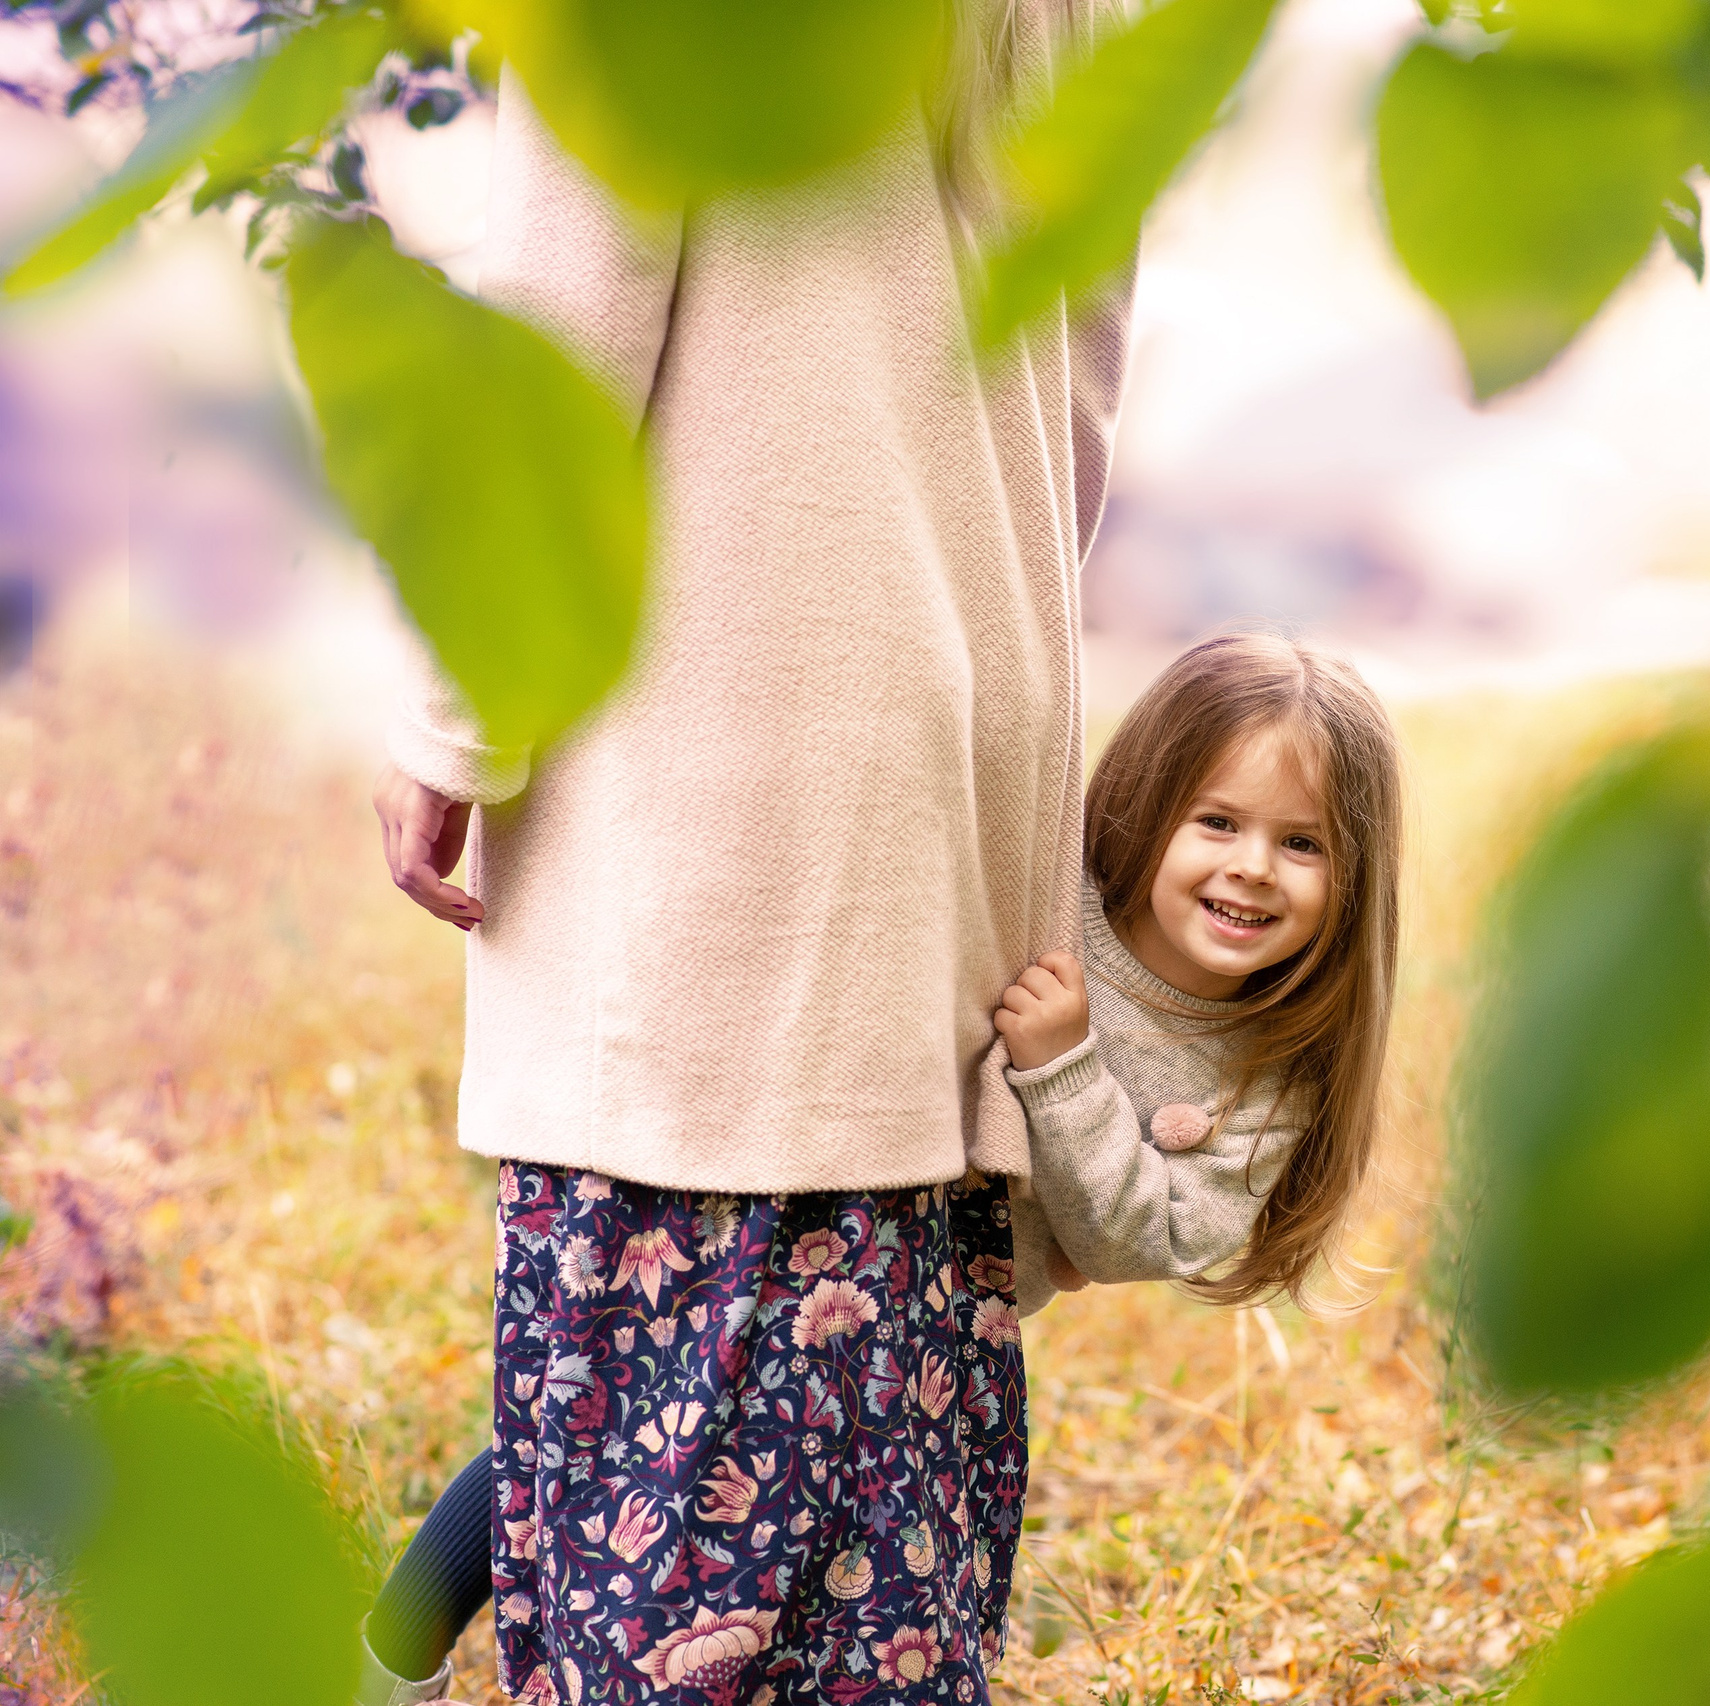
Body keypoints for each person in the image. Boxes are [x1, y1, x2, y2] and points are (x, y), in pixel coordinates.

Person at [357, 0, 1130, 1694]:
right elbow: (1083, 351)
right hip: (965, 693)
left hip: (728, 737)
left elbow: (563, 332)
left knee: (667, 1420)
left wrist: (449, 716)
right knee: (889, 1448)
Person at [991, 633, 1404, 1319]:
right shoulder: (1045, 906)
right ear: (1148, 805)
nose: (1255, 867)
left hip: (956, 1334)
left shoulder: (1272, 1079)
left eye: (1302, 843)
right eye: (1218, 821)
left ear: (1355, 879)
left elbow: (1142, 1244)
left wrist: (1063, 1071)